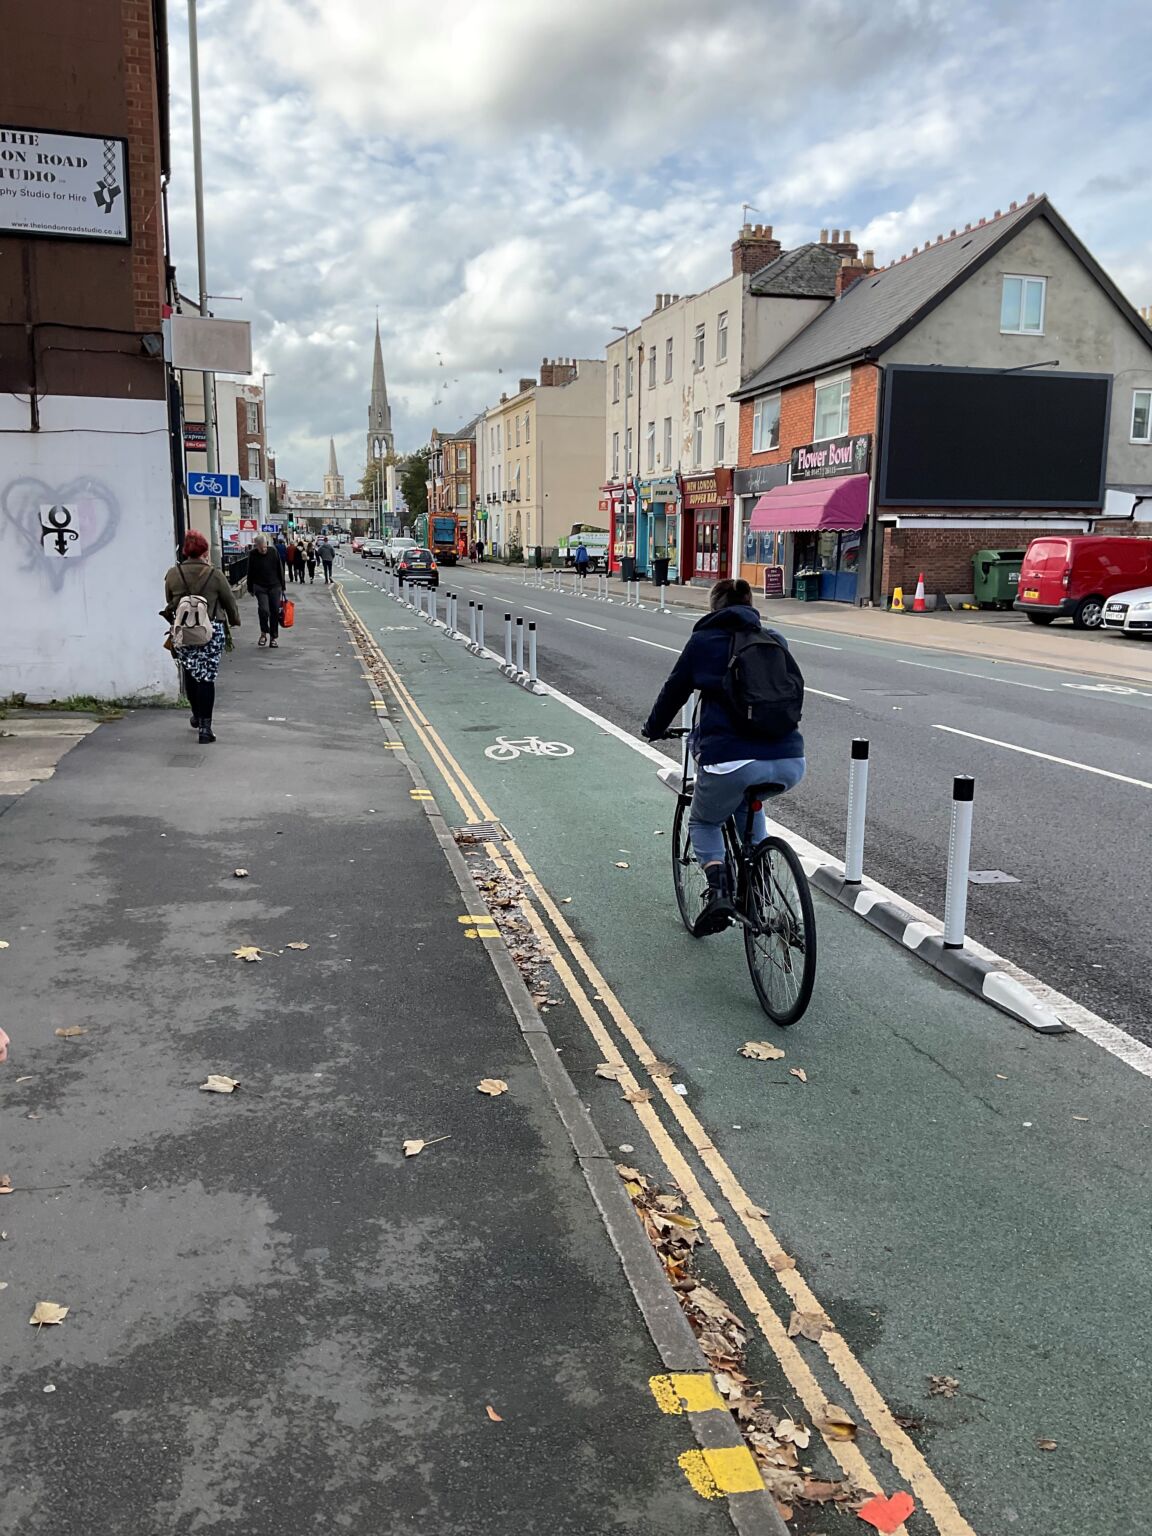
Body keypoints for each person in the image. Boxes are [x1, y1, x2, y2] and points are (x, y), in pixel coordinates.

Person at [642, 577, 805, 936]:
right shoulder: (775, 640)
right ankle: (759, 883)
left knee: (704, 821)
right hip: (791, 759)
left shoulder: (704, 641)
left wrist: (653, 728)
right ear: (750, 605)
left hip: (730, 761)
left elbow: (675, 691)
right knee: (751, 808)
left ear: (714, 607)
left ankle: (719, 893)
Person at [164, 530, 241, 744]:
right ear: (205, 551)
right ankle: (205, 728)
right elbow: (229, 602)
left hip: (183, 632)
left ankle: (196, 715)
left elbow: (170, 601)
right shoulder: (214, 574)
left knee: (189, 671)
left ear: (187, 551)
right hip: (210, 631)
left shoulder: (173, 574)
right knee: (206, 677)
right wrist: (234, 620)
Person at [247, 532, 285, 648]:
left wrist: (283, 586)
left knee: (274, 611)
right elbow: (250, 572)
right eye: (261, 548)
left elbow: (280, 568)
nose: (263, 550)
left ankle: (273, 638)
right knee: (264, 610)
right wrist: (250, 588)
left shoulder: (273, 552)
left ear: (266, 544)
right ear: (256, 546)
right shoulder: (252, 554)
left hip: (274, 585)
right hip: (260, 586)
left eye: (264, 547)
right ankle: (263, 633)